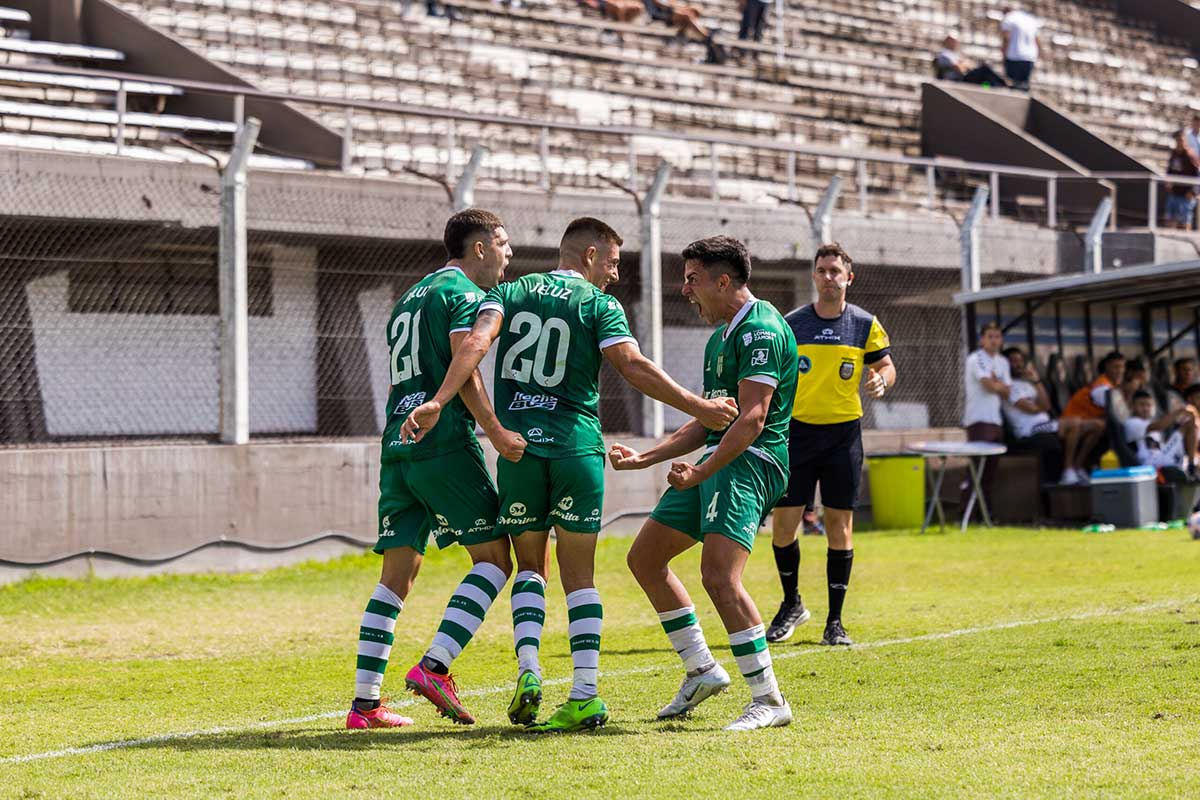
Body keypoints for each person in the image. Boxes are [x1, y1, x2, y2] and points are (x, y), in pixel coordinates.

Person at [401, 217, 737, 733]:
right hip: (577, 449)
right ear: (589, 256)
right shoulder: (599, 304)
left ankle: (530, 671)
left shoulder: (508, 292)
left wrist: (442, 402)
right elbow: (632, 364)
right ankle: (583, 693)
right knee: (580, 576)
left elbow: (474, 347)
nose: (616, 275)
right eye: (613, 262)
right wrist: (698, 404)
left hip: (519, 452)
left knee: (530, 568)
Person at [345, 209, 527, 730]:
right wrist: (489, 427)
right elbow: (465, 360)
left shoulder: (410, 297)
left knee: (396, 576)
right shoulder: (463, 295)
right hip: (440, 441)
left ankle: (365, 706)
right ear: (479, 248)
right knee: (494, 558)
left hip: (397, 443)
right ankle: (435, 667)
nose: (508, 254)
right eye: (504, 243)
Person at [613, 235, 799, 731]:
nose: (685, 289)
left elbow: (752, 419)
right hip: (720, 457)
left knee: (719, 576)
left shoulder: (760, 329)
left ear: (723, 280)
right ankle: (701, 668)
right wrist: (645, 458)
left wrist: (701, 471)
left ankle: (769, 699)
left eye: (692, 279)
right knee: (645, 558)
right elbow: (710, 418)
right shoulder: (720, 338)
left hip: (751, 462)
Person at [765, 243, 895, 646]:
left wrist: (881, 381)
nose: (828, 277)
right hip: (797, 435)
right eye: (822, 271)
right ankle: (792, 605)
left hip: (843, 437)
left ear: (848, 278)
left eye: (835, 271)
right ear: (814, 276)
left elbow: (886, 366)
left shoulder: (864, 323)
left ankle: (834, 623)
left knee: (840, 528)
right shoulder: (791, 324)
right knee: (783, 529)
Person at [962, 321, 1010, 506]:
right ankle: (966, 512)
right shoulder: (976, 359)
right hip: (978, 420)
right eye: (990, 336)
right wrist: (997, 385)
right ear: (982, 339)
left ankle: (985, 513)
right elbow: (988, 385)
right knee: (976, 469)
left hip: (996, 421)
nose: (994, 340)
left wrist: (997, 385)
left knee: (990, 470)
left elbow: (1007, 392)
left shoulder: (1003, 362)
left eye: (997, 336)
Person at [1060, 351, 1125, 484]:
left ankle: (1078, 467)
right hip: (1069, 422)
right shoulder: (1101, 386)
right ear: (1107, 366)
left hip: (1087, 423)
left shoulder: (1113, 386)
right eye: (1116, 367)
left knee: (1101, 426)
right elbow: (1116, 411)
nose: (1120, 371)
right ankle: (1068, 470)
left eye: (1122, 367)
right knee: (1101, 426)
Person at [1001, 347, 1064, 486]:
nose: (1018, 364)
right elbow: (1031, 409)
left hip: (1045, 424)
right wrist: (1039, 406)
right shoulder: (1006, 387)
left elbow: (1046, 405)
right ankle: (1069, 472)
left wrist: (1036, 381)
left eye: (1020, 361)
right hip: (1030, 430)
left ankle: (1072, 470)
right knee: (1074, 425)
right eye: (1013, 361)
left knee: (1082, 428)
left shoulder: (1027, 384)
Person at [1125, 390, 1198, 475]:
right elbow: (1159, 426)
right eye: (1141, 404)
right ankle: (1190, 468)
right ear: (1132, 406)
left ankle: (1191, 466)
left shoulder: (1149, 423)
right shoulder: (1132, 422)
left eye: (1149, 405)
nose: (1145, 408)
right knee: (1188, 426)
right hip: (1150, 463)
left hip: (1161, 456)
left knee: (1190, 425)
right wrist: (1179, 411)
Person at [934, 34, 1007, 86]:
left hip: (961, 78)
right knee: (984, 69)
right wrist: (963, 64)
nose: (956, 43)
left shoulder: (954, 54)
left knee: (985, 73)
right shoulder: (944, 54)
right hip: (956, 80)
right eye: (954, 41)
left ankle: (1001, 84)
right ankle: (1003, 84)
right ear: (948, 41)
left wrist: (963, 64)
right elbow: (960, 69)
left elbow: (969, 65)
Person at [999, 5, 1040, 91]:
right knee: (1024, 88)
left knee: (1012, 86)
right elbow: (1037, 40)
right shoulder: (1030, 19)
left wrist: (1003, 55)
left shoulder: (1009, 18)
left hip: (1014, 56)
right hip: (1030, 57)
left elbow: (1006, 38)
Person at [1165, 130, 1199, 230]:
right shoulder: (1174, 154)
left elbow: (1198, 174)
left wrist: (1193, 191)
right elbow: (1169, 171)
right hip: (1175, 192)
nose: (1180, 143)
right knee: (1170, 219)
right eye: (1178, 140)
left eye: (1182, 140)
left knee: (1184, 221)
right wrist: (1168, 183)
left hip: (1186, 195)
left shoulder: (1190, 155)